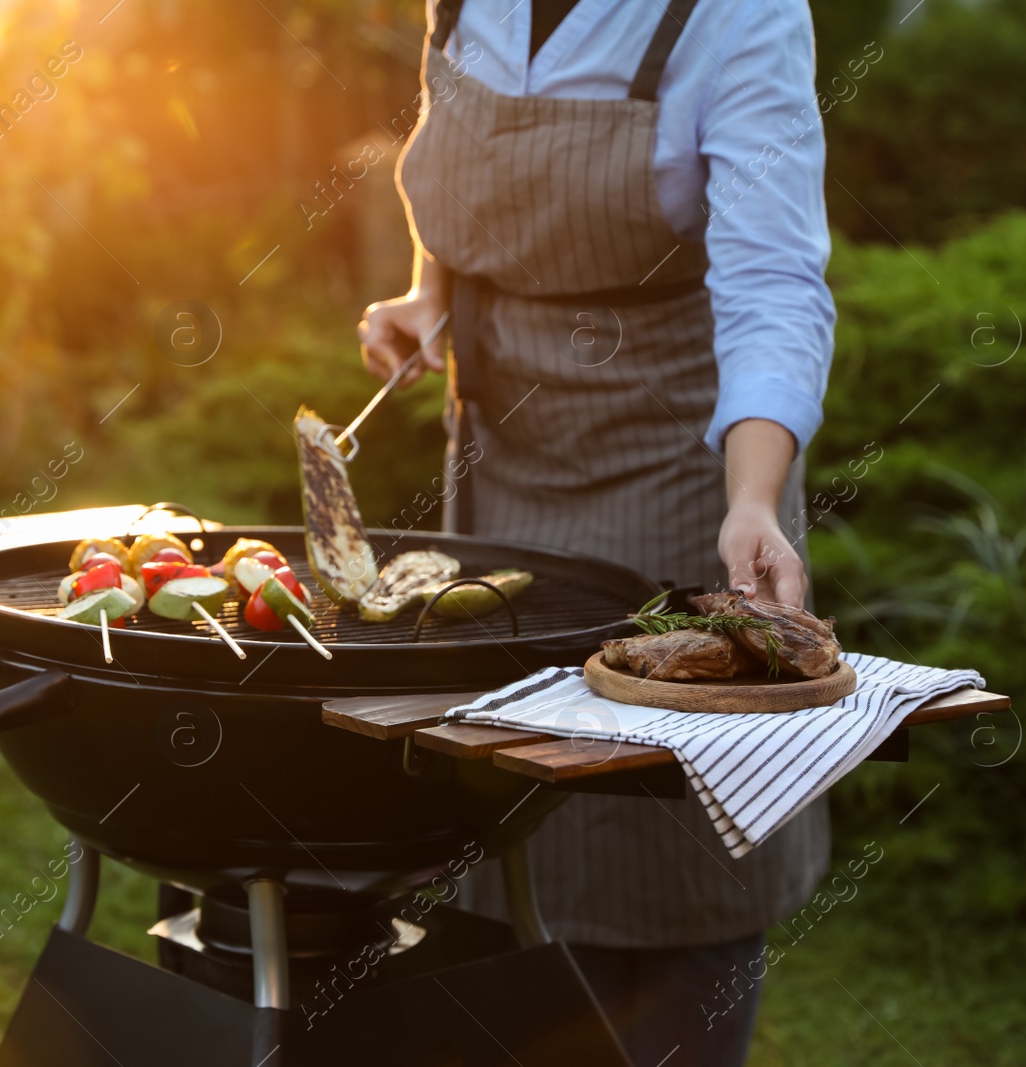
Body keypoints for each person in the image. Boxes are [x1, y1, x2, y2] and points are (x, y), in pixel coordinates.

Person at [357, 0, 836, 1063]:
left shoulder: (740, 14)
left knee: (669, 845)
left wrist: (752, 498)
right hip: (499, 466)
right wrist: (426, 295)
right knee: (497, 812)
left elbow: (772, 284)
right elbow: (459, 177)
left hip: (678, 470)